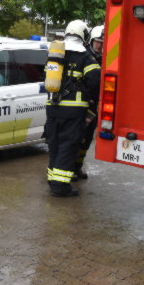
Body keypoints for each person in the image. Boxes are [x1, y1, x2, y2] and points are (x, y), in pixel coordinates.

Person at [45, 20, 101, 196]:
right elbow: (95, 80)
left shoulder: (56, 53)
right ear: (84, 35)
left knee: (55, 145)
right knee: (68, 147)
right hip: (74, 110)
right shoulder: (85, 56)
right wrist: (91, 98)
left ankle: (52, 179)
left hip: (53, 108)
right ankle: (60, 187)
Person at [74, 24, 104, 180]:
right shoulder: (85, 57)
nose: (99, 45)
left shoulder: (105, 59)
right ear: (91, 41)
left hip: (95, 107)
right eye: (96, 42)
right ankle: (70, 168)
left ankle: (77, 167)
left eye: (101, 42)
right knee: (77, 138)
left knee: (87, 140)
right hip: (83, 105)